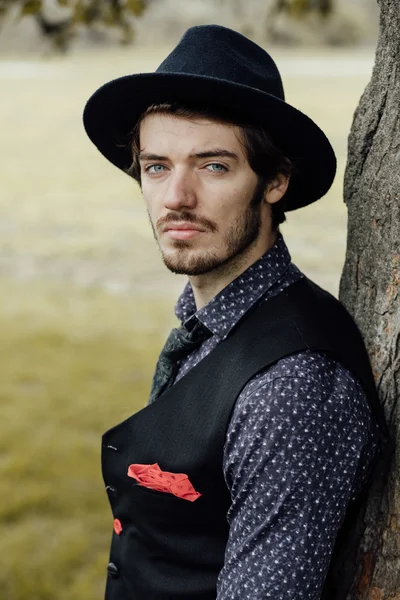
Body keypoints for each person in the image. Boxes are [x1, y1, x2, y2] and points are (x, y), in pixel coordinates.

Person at [83, 24, 389, 600]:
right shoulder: (212, 322)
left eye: (214, 166)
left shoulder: (291, 386)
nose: (176, 197)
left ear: (274, 180)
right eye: (156, 166)